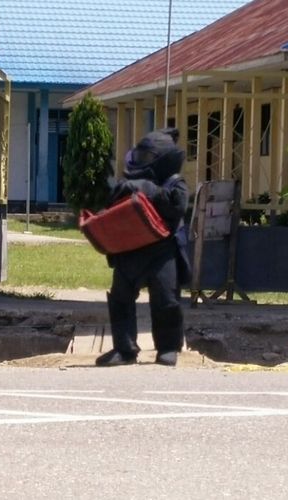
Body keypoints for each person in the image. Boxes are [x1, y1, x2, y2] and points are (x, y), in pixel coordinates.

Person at [96, 129, 189, 367]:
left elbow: (177, 207)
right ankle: (124, 349)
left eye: (147, 158)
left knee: (166, 301)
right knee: (120, 298)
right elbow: (108, 199)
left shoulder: (175, 184)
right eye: (141, 156)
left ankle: (168, 347)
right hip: (130, 251)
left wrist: (151, 190)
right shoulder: (128, 183)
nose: (141, 162)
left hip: (162, 253)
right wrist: (125, 189)